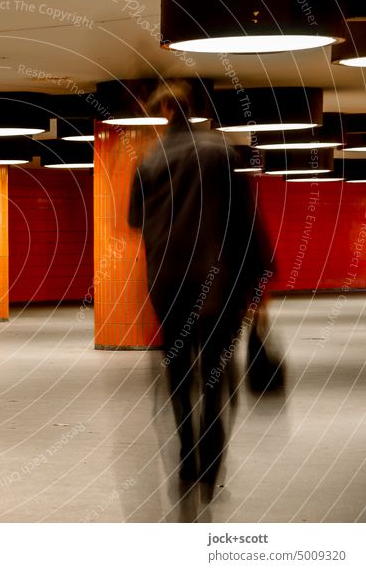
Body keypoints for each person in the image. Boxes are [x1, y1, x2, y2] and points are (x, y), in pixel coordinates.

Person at [128, 81, 270, 488]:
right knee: (215, 370)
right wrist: (261, 279)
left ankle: (186, 449)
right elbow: (244, 222)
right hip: (217, 282)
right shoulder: (219, 153)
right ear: (197, 110)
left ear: (164, 113)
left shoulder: (148, 163)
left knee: (176, 366)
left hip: (167, 283)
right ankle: (211, 451)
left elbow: (136, 221)